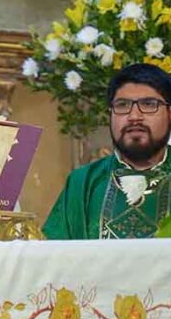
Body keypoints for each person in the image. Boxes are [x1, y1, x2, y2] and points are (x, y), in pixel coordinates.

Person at [44, 63, 171, 239]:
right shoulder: (82, 183)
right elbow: (53, 256)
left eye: (149, 104)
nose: (134, 116)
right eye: (122, 105)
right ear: (110, 114)